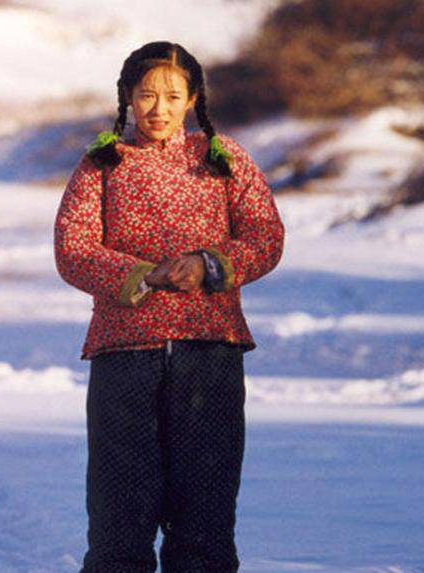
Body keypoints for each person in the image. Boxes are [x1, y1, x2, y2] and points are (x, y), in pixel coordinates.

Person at [53, 40, 285, 573]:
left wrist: (209, 264)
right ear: (128, 98)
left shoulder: (223, 158)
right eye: (146, 95)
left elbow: (265, 237)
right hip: (124, 356)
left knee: (204, 516)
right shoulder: (102, 163)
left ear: (192, 99)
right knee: (119, 515)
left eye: (172, 96)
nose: (158, 108)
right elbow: (73, 249)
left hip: (210, 352)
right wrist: (140, 275)